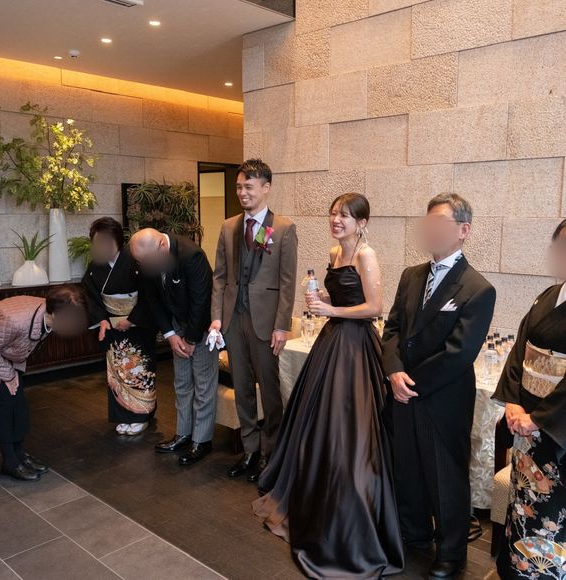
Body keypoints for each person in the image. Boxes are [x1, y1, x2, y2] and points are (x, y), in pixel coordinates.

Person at [254, 193, 404, 578]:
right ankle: (313, 490)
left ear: (362, 223)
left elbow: (374, 307)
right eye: (334, 213)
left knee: (350, 427)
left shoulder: (366, 255)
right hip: (332, 340)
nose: (336, 220)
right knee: (316, 420)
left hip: (356, 345)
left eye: (345, 216)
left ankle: (351, 508)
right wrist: (321, 296)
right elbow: (338, 295)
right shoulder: (335, 252)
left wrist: (330, 308)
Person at [382, 193, 496, 579]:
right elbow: (393, 329)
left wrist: (410, 382)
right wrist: (393, 371)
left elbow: (458, 353)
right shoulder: (411, 275)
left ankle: (451, 552)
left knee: (445, 475)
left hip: (442, 397)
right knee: (408, 467)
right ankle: (413, 533)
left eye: (440, 223)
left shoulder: (478, 288)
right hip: (402, 391)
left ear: (463, 230)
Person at [210, 158, 298, 482]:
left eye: (248, 186)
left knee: (270, 391)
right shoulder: (228, 226)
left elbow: (287, 282)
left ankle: (270, 453)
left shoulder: (283, 228)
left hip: (266, 322)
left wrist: (282, 325)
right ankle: (249, 449)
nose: (242, 192)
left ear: (266, 188)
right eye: (238, 187)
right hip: (234, 319)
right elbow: (220, 277)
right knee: (243, 386)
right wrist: (216, 319)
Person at [493, 220, 566, 580]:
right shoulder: (547, 297)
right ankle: (516, 569)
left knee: (552, 510)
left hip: (557, 430)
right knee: (522, 503)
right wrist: (513, 403)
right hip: (527, 427)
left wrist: (538, 418)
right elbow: (519, 352)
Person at [130, 227, 218, 466]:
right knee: (181, 382)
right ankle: (183, 434)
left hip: (202, 326)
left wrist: (191, 339)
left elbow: (202, 301)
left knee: (203, 383)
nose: (144, 266)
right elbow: (152, 299)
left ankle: (202, 440)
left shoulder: (191, 255)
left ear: (161, 246)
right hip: (177, 324)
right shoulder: (147, 260)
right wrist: (170, 334)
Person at [0, 285, 88, 481]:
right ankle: (10, 462)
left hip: (1, 354)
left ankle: (20, 455)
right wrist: (9, 376)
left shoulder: (47, 312)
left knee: (19, 407)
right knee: (3, 407)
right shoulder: (16, 320)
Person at [82, 217, 157, 436]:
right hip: (113, 326)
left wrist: (132, 319)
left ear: (118, 241)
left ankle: (142, 416)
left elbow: (150, 293)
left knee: (138, 370)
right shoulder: (95, 267)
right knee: (117, 373)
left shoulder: (134, 261)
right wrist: (102, 319)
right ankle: (124, 416)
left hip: (137, 325)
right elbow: (90, 296)